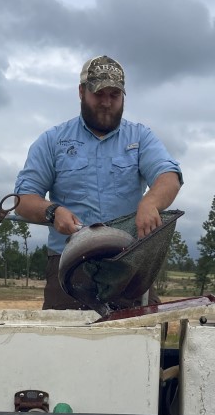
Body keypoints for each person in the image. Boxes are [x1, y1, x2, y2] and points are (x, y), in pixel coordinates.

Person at [15, 55, 183, 309]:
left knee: (146, 332)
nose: (106, 103)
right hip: (69, 265)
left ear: (123, 96)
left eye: (114, 95)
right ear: (81, 92)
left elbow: (169, 176)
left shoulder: (140, 137)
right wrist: (52, 211)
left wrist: (150, 203)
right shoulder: (52, 140)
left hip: (128, 266)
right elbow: (23, 199)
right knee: (62, 334)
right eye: (98, 94)